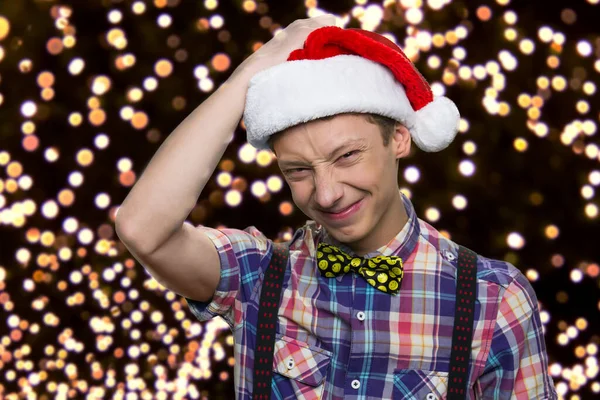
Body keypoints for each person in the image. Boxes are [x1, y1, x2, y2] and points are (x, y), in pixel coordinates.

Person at [116, 15, 557, 399]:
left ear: (399, 137)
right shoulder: (257, 275)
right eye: (298, 171)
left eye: (347, 156)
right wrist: (249, 73)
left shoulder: (492, 299)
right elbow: (141, 228)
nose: (326, 194)